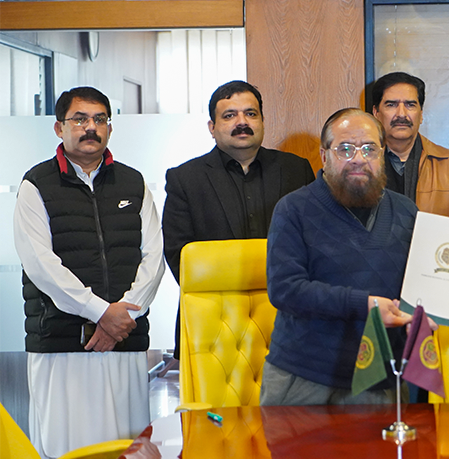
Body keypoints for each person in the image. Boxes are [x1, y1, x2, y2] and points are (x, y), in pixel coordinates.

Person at [13, 87, 165, 458]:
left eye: (99, 119)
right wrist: (101, 313)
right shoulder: (36, 185)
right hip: (61, 344)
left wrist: (124, 315)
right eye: (79, 119)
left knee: (129, 445)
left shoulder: (133, 183)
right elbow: (41, 265)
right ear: (58, 128)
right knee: (67, 446)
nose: (90, 128)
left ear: (110, 128)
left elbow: (154, 256)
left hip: (125, 342)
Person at [260, 108, 415, 405]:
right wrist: (365, 305)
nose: (359, 158)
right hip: (304, 377)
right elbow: (285, 289)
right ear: (324, 155)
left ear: (382, 154)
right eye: (345, 148)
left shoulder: (406, 211)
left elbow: (420, 285)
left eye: (369, 148)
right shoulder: (293, 209)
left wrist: (432, 312)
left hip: (381, 378)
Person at [162, 80, 314, 358]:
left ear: (263, 121)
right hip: (212, 321)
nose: (241, 122)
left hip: (285, 317)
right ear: (212, 127)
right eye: (229, 115)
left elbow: (312, 242)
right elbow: (179, 254)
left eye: (251, 113)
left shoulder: (296, 170)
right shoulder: (185, 179)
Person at [372, 72, 449, 222]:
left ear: (421, 114)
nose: (401, 114)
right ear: (376, 113)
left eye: (410, 105)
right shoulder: (361, 162)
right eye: (391, 105)